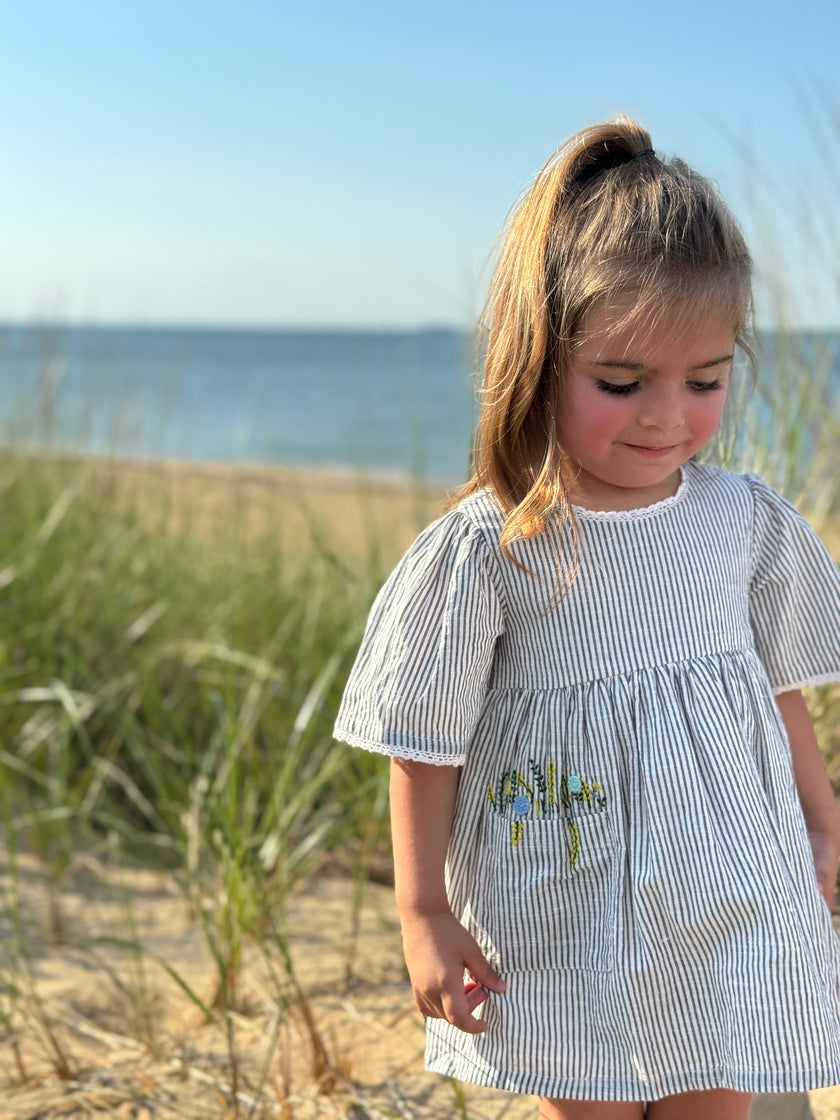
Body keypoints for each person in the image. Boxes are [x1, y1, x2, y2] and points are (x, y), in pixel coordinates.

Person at [333, 117, 840, 1119]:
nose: (668, 416)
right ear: (539, 358)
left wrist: (823, 823)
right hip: (561, 905)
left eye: (707, 379)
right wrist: (423, 911)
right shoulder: (494, 543)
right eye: (622, 383)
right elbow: (422, 744)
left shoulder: (743, 520)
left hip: (726, 889)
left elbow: (775, 689)